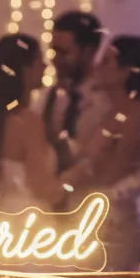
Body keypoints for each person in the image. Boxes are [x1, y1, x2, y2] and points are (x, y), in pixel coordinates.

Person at [61, 35, 140, 269]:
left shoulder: (134, 115)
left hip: (109, 223)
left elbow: (109, 174)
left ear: (125, 72)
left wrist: (63, 181)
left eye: (106, 61)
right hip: (96, 215)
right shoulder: (116, 111)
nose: (97, 66)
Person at [0, 33, 48, 208]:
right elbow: (41, 183)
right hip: (29, 211)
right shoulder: (28, 122)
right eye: (39, 60)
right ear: (25, 69)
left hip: (3, 208)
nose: (45, 66)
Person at [41, 11, 105, 172]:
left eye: (64, 52)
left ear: (89, 52)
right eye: (54, 51)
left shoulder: (106, 101)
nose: (55, 60)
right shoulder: (49, 97)